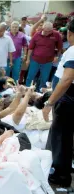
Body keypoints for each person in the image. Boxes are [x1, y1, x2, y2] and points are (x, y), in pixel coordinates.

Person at [42, 18, 74, 187]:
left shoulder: (73, 50)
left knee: (61, 137)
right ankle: (63, 166)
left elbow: (67, 78)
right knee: (65, 137)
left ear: (70, 33)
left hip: (67, 99)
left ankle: (60, 175)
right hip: (68, 98)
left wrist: (49, 103)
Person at [25, 22, 63, 91]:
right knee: (30, 77)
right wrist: (28, 59)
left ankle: (39, 93)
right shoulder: (37, 35)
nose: (47, 33)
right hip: (35, 60)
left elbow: (59, 47)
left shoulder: (56, 34)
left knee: (44, 79)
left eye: (49, 31)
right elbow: (30, 48)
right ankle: (27, 90)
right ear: (43, 28)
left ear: (52, 30)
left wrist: (57, 56)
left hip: (47, 62)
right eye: (45, 31)